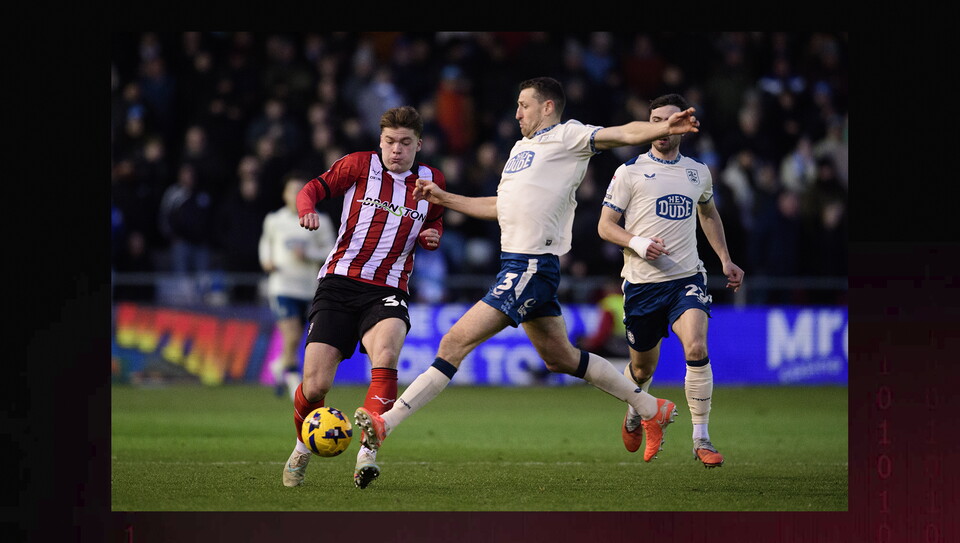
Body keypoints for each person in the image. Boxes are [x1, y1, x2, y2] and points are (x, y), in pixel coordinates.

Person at [353, 76, 701, 474]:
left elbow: (622, 133)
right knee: (561, 358)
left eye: (524, 105)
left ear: (547, 107)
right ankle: (651, 407)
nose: (517, 113)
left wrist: (661, 127)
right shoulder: (520, 150)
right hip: (520, 266)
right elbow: (501, 206)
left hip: (530, 265)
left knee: (453, 342)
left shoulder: (568, 136)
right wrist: (445, 198)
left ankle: (385, 424)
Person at [281, 105, 445, 490]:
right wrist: (306, 209)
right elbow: (312, 189)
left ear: (418, 145)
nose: (396, 150)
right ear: (380, 141)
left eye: (405, 143)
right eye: (390, 141)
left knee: (385, 356)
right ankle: (304, 446)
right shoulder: (358, 165)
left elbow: (435, 219)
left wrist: (431, 236)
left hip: (388, 288)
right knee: (315, 385)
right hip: (339, 283)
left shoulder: (430, 180)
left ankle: (367, 453)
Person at [595, 93, 744, 468]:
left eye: (669, 120)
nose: (662, 127)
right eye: (656, 119)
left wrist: (725, 259)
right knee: (643, 368)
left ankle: (701, 439)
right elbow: (605, 227)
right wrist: (639, 242)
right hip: (642, 285)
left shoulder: (698, 172)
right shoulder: (629, 171)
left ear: (683, 126)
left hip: (686, 279)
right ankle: (637, 410)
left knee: (695, 347)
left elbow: (708, 214)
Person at [259, 171, 336, 401]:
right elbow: (266, 243)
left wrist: (309, 253)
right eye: (291, 190)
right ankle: (294, 384)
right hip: (282, 286)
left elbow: (331, 250)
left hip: (309, 288)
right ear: (284, 194)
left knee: (298, 337)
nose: (295, 195)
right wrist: (266, 260)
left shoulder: (320, 221)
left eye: (300, 191)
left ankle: (279, 366)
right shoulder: (274, 220)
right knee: (291, 334)